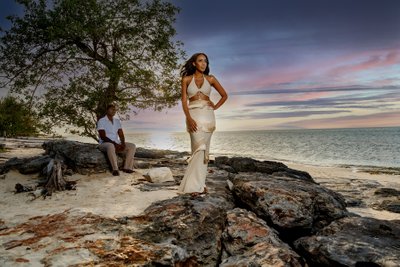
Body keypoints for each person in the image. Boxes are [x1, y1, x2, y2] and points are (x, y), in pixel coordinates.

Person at [178, 53, 228, 194]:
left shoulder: (211, 79)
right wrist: (188, 118)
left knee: (204, 150)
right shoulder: (186, 79)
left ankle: (199, 185)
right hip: (193, 115)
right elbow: (183, 101)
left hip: (208, 115)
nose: (203, 63)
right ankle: (195, 185)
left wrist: (215, 107)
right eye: (200, 61)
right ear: (194, 63)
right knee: (197, 149)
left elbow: (225, 95)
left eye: (205, 61)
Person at [97, 104, 137, 176]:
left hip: (116, 142)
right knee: (111, 146)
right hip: (104, 144)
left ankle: (127, 168)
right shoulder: (101, 121)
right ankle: (115, 169)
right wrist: (115, 144)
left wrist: (123, 143)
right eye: (112, 109)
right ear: (107, 110)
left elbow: (121, 134)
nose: (114, 111)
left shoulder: (117, 121)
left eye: (115, 110)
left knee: (132, 146)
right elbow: (103, 136)